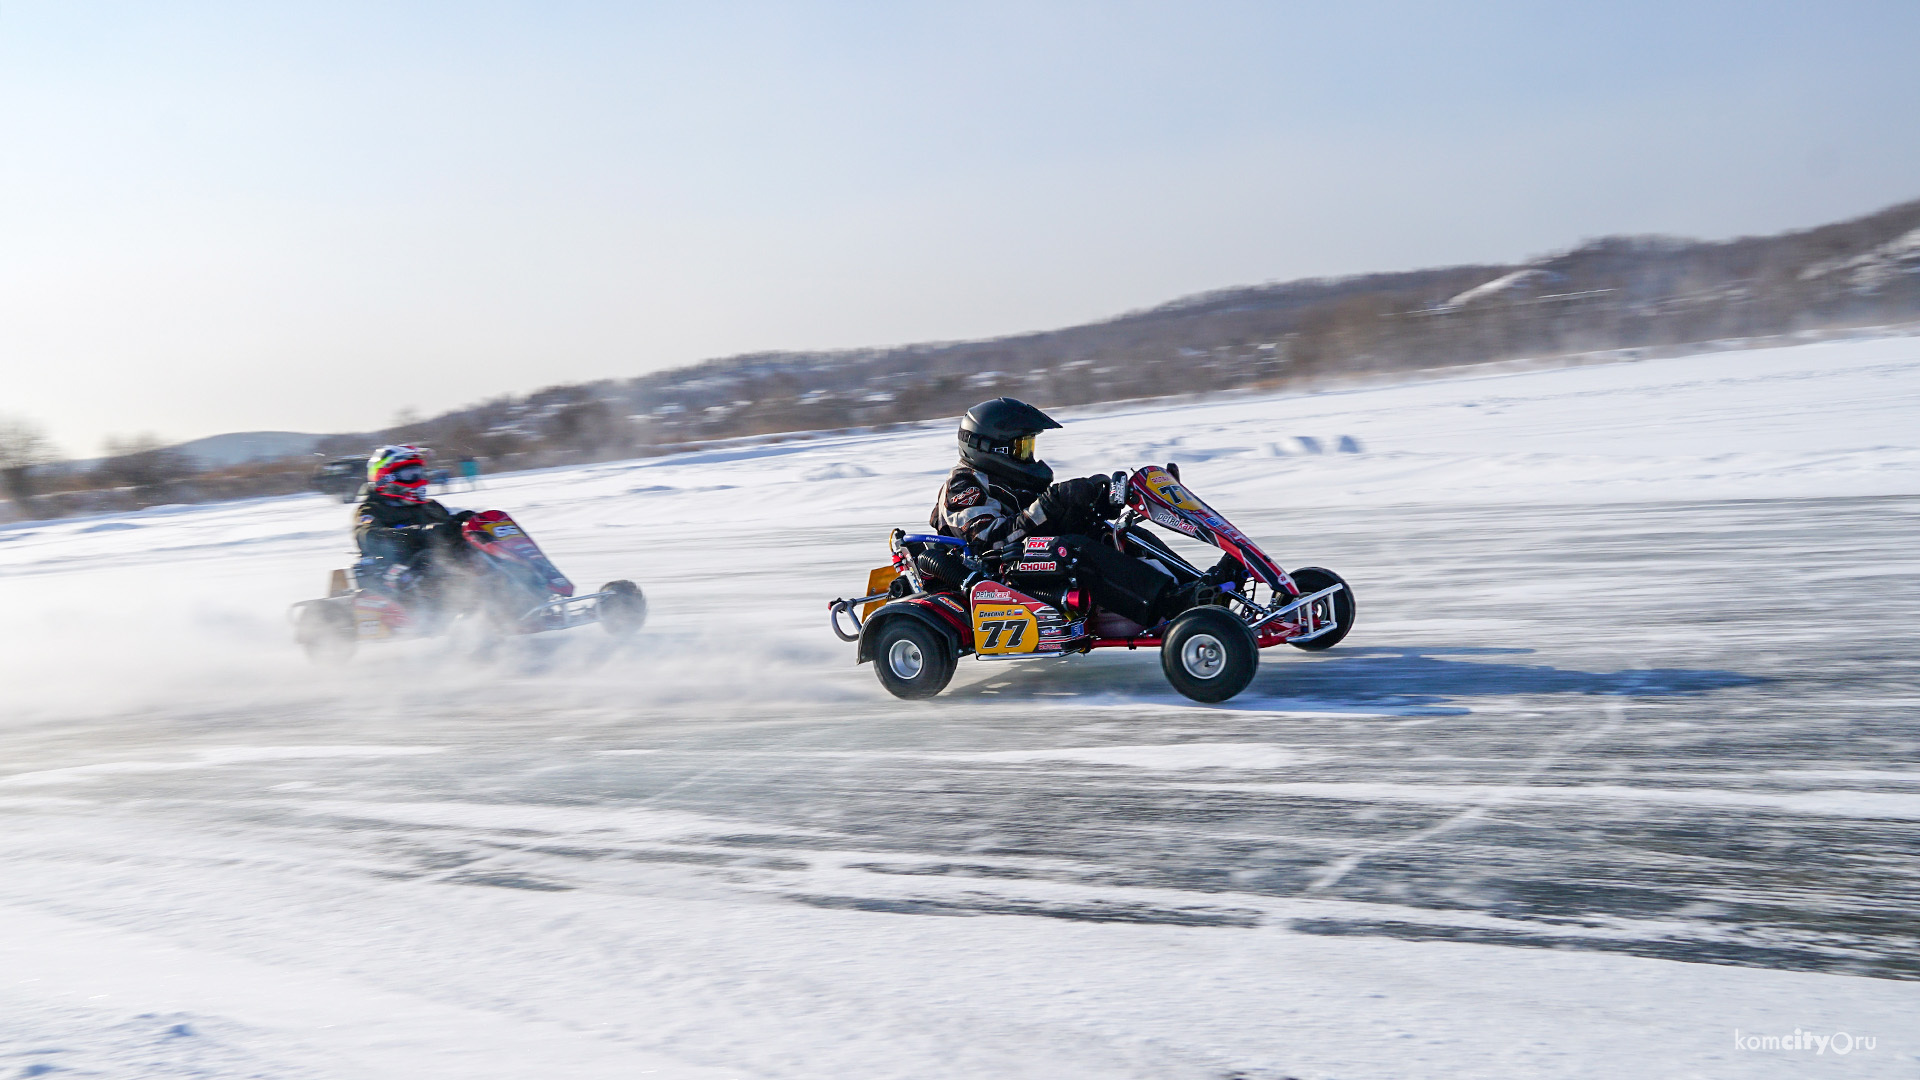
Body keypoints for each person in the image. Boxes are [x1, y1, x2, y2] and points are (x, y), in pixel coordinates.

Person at [929, 398, 1236, 627]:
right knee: (1072, 550)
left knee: (1118, 533)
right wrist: (1051, 503)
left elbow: (1048, 518)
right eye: (1021, 448)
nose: (1028, 455)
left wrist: (1093, 501)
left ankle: (1197, 588)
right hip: (995, 575)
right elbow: (991, 542)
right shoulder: (963, 486)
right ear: (990, 449)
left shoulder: (1006, 479)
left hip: (1024, 562)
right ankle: (1170, 603)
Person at [353, 445, 472, 600]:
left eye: (418, 472)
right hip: (405, 582)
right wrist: (424, 532)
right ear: (386, 477)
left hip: (447, 571)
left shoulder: (430, 506)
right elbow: (368, 536)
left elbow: (446, 529)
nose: (418, 478)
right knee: (430, 559)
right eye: (409, 473)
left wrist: (465, 524)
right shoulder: (371, 509)